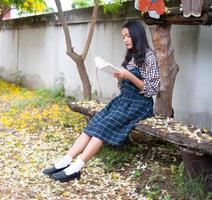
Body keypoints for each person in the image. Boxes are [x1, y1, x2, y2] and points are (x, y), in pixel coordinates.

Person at [43, 20, 160, 182]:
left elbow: (152, 90)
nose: (125, 39)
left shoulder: (149, 57)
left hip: (140, 104)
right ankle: (65, 161)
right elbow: (125, 86)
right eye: (123, 37)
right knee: (95, 123)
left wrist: (129, 76)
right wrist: (120, 78)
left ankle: (77, 167)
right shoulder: (131, 57)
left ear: (136, 35)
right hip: (124, 101)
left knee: (104, 125)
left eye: (127, 36)